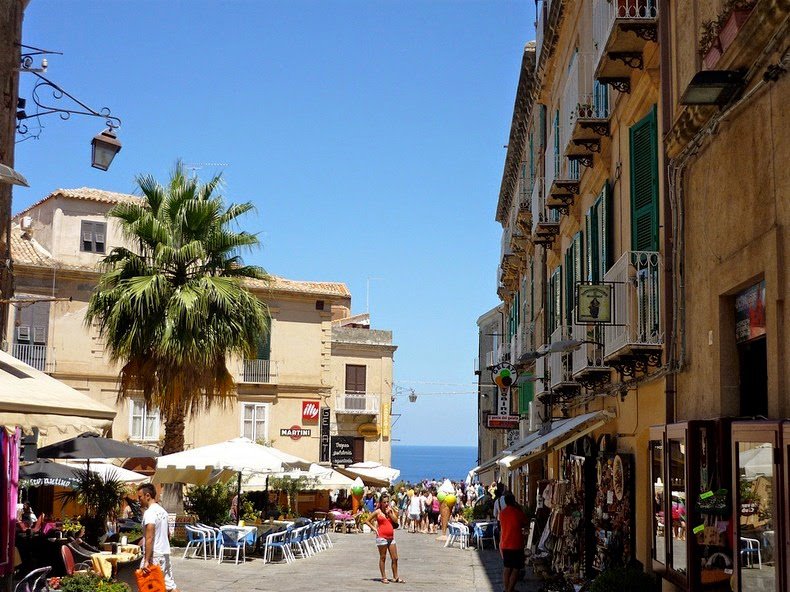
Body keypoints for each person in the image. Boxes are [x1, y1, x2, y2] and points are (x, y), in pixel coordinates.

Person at [137, 483, 180, 592]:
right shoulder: (163, 512)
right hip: (164, 554)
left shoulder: (150, 513)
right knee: (170, 586)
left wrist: (146, 560)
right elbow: (168, 534)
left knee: (148, 586)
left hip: (154, 555)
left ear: (147, 496)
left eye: (140, 497)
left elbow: (150, 537)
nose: (139, 500)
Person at [365, 494, 404, 584]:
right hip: (381, 536)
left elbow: (395, 521)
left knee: (395, 558)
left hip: (391, 537)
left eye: (387, 502)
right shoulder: (377, 512)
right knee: (383, 557)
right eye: (384, 502)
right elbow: (367, 520)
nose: (386, 504)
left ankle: (395, 577)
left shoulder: (390, 510)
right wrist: (374, 529)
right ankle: (384, 577)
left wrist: (390, 513)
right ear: (380, 503)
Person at [498, 493, 529, 592]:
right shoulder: (517, 512)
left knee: (507, 568)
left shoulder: (502, 513)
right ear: (514, 501)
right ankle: (510, 589)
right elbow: (525, 521)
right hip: (516, 543)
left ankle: (506, 588)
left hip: (505, 543)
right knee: (516, 568)